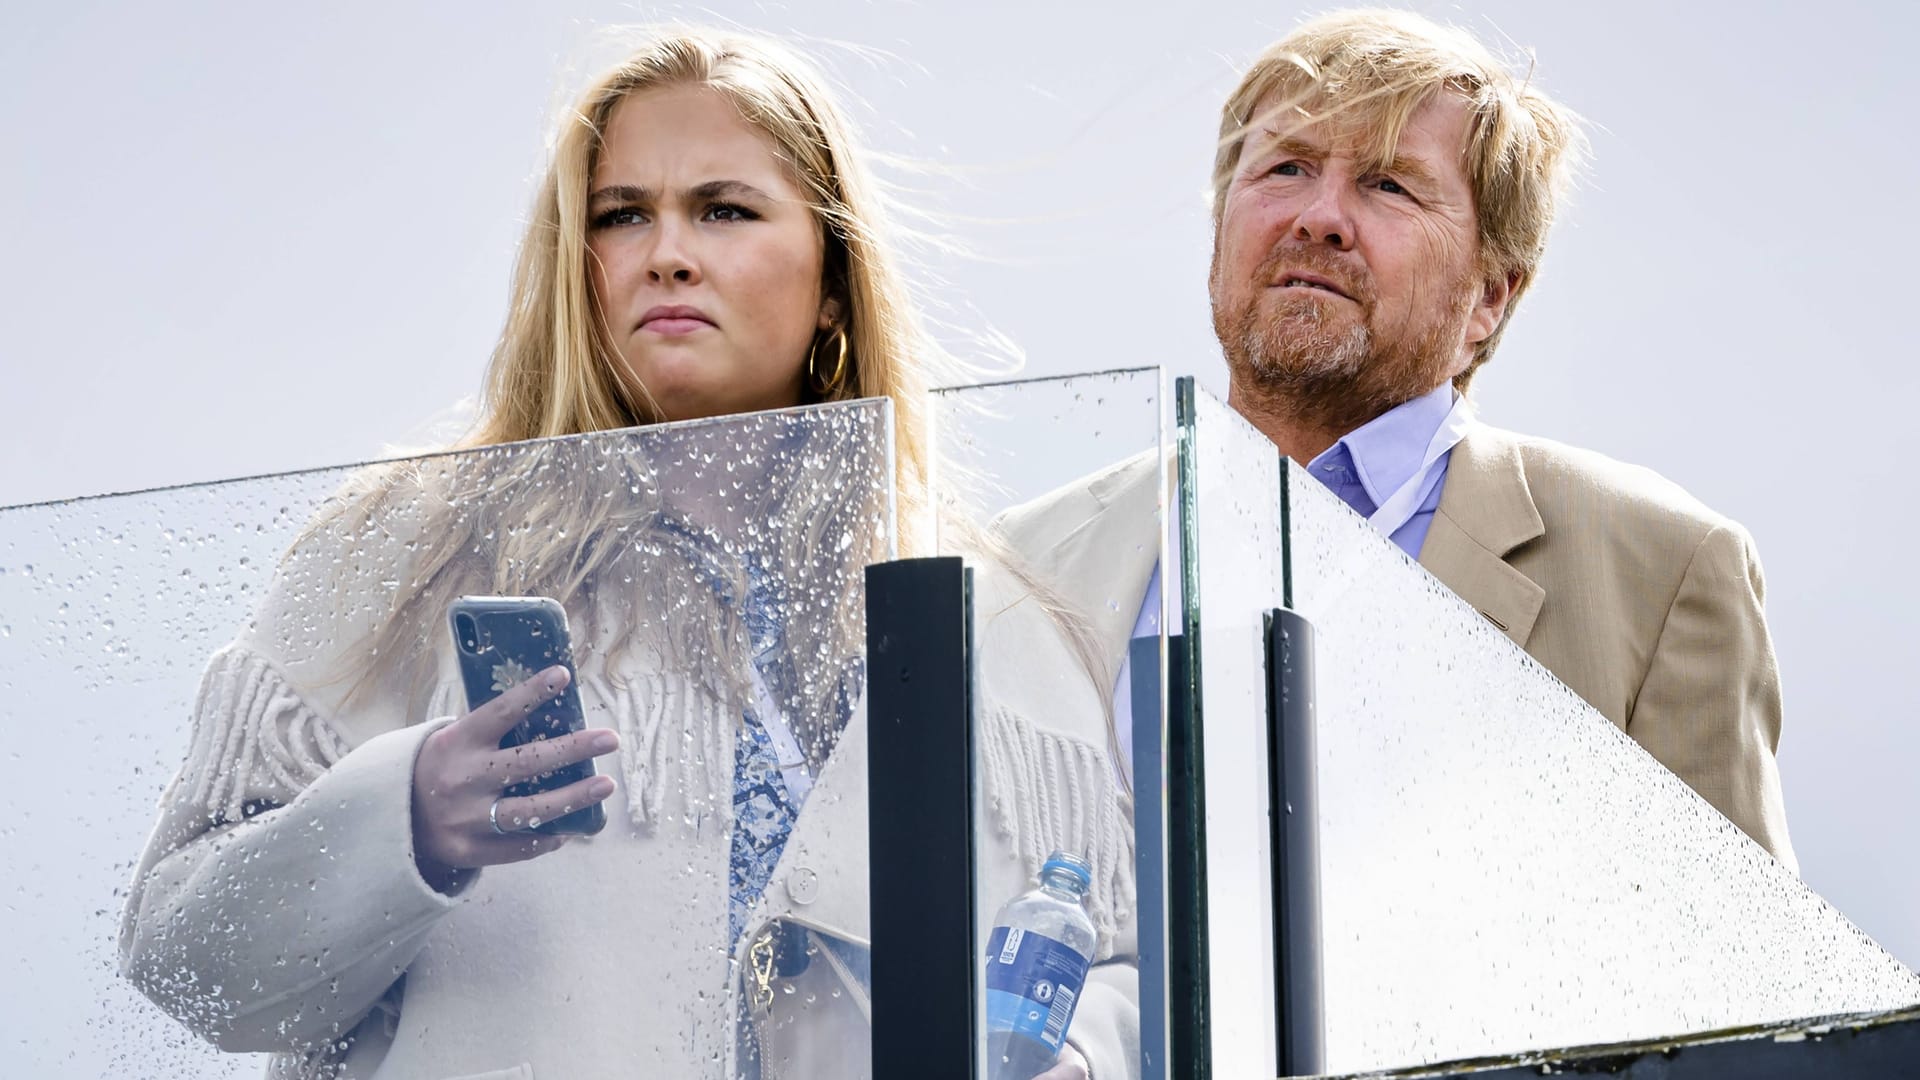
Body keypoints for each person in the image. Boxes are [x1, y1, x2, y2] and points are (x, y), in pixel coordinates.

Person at [117, 29, 1135, 1079]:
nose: (668, 253)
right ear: (577, 264)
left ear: (834, 278)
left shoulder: (986, 613)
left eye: (724, 209)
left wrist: (1080, 1063)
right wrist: (406, 815)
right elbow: (178, 946)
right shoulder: (406, 552)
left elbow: (1120, 959)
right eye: (622, 215)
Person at [1206, 10, 1794, 868]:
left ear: (1490, 298)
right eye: (1286, 166)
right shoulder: (1045, 564)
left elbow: (1751, 984)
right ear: (1217, 238)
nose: (1321, 217)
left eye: (1389, 185)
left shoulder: (1662, 571)